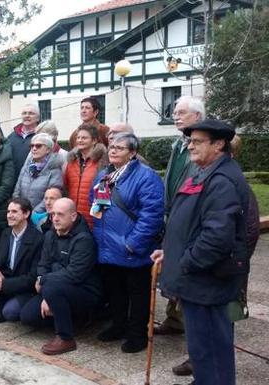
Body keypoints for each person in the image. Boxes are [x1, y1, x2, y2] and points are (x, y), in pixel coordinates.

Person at [153, 119, 250, 385]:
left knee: (211, 350)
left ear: (219, 144)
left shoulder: (221, 180)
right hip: (197, 282)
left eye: (197, 142)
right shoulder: (203, 171)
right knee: (202, 350)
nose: (190, 147)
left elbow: (217, 237)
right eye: (189, 141)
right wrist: (169, 252)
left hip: (207, 283)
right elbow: (189, 223)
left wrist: (185, 262)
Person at [90, 133, 164, 353]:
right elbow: (96, 207)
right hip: (107, 247)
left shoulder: (146, 176)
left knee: (138, 294)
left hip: (132, 248)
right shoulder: (104, 176)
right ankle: (118, 326)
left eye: (120, 148)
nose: (113, 151)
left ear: (132, 153)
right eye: (111, 147)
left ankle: (137, 334)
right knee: (115, 292)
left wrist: (133, 243)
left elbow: (152, 215)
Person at [20, 198, 102, 355]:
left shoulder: (84, 239)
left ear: (73, 216)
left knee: (52, 289)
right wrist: (45, 289)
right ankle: (66, 316)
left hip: (85, 290)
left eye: (60, 215)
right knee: (27, 316)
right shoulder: (50, 234)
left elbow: (74, 274)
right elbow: (43, 264)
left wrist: (44, 282)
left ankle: (66, 337)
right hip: (56, 287)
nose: (55, 218)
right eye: (53, 214)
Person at [155, 96, 204, 345]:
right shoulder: (179, 144)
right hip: (173, 212)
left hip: (191, 216)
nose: (176, 115)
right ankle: (173, 319)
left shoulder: (201, 146)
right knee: (172, 265)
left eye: (182, 112)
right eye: (174, 111)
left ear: (197, 116)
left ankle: (188, 325)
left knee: (185, 269)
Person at [0, 198, 43, 324]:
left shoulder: (38, 239)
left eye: (14, 211)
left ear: (26, 214)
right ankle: (0, 309)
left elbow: (32, 278)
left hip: (26, 288)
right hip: (9, 279)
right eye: (8, 211)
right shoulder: (6, 233)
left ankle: (6, 308)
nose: (9, 215)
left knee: (10, 312)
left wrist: (4, 284)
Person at [64, 124, 108, 229]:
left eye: (84, 138)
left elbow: (103, 194)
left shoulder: (102, 162)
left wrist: (97, 220)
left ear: (94, 141)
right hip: (73, 219)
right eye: (78, 138)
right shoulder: (71, 161)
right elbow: (66, 188)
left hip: (92, 220)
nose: (80, 140)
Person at [13, 133, 63, 213]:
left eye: (38, 146)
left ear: (48, 149)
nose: (34, 148)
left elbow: (52, 198)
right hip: (22, 213)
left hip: (40, 216)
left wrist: (33, 213)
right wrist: (19, 209)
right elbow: (17, 190)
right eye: (32, 146)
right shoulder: (27, 166)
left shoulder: (54, 170)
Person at [7, 103, 40, 180]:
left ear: (38, 118)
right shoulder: (11, 136)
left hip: (33, 180)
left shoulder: (42, 136)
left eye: (31, 113)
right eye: (24, 113)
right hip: (12, 180)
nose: (27, 115)